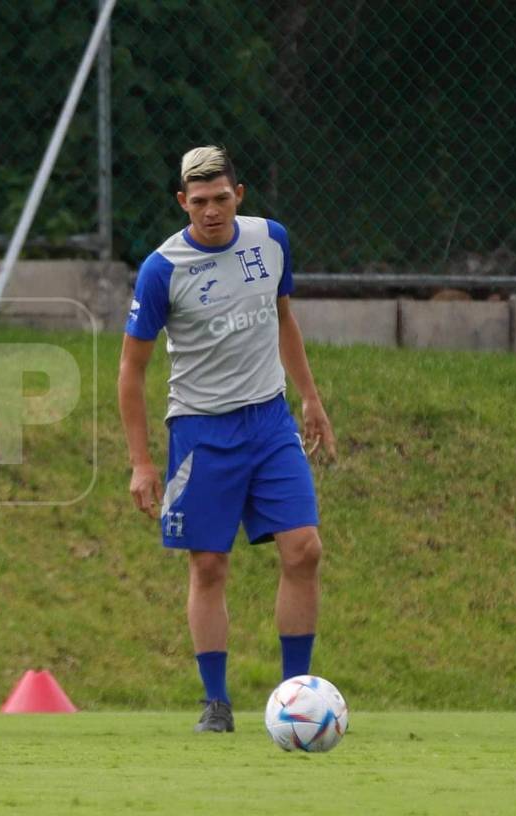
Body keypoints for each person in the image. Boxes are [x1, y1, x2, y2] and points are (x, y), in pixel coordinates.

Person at [117, 145, 336, 734]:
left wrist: (310, 398)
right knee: (209, 564)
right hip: (201, 430)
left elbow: (283, 316)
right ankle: (216, 702)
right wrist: (141, 463)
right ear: (182, 201)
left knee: (304, 549)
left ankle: (298, 694)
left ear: (239, 196)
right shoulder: (163, 268)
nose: (210, 211)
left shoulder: (270, 240)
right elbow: (131, 371)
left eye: (220, 199)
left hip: (269, 422)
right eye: (198, 202)